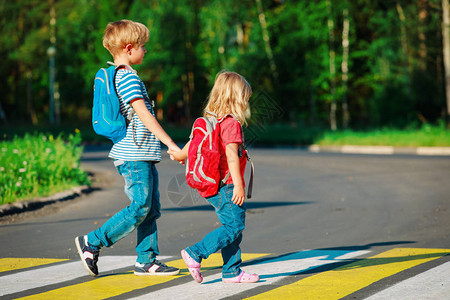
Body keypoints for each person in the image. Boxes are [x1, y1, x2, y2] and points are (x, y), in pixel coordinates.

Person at [75, 19, 181, 277]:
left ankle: (146, 260)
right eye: (144, 46)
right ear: (130, 47)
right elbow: (144, 115)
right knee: (140, 206)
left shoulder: (126, 76)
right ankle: (92, 241)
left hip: (142, 154)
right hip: (133, 155)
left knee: (150, 209)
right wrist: (170, 143)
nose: (146, 51)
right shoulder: (126, 78)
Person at [168, 71, 259, 283]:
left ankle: (231, 271)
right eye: (245, 98)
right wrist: (238, 185)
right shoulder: (231, 124)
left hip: (212, 184)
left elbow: (191, 144)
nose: (247, 102)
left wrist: (180, 155)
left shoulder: (211, 121)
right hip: (226, 185)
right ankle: (195, 253)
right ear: (235, 99)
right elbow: (232, 156)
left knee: (232, 225)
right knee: (234, 226)